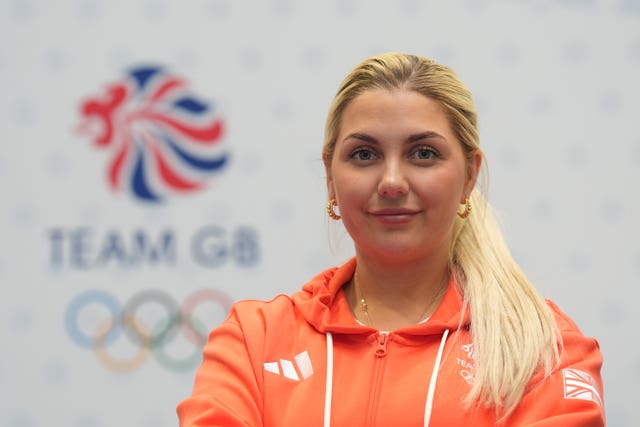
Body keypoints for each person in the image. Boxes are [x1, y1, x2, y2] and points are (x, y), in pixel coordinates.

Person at [177, 53, 605, 426]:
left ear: (470, 175)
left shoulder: (543, 349)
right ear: (330, 176)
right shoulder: (255, 341)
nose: (393, 182)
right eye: (364, 155)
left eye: (423, 153)